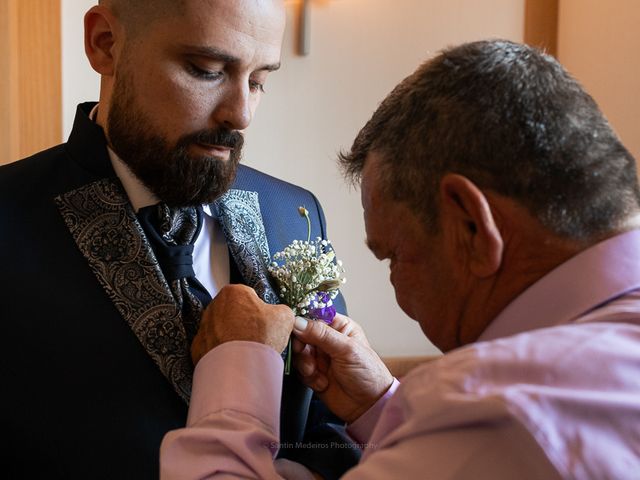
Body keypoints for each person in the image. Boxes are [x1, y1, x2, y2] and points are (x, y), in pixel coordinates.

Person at [159, 40, 640, 478]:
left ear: (471, 225)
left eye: (395, 256)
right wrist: (384, 406)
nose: (400, 294)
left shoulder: (508, 413)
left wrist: (236, 369)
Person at [0, 1, 358, 478]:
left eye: (258, 81)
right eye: (206, 70)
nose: (242, 114)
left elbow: (327, 432)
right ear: (104, 44)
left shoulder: (294, 214)